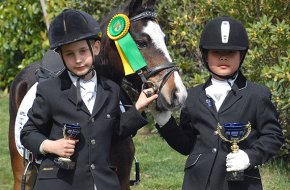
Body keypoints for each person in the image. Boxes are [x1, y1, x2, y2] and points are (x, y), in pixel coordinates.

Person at [20, 9, 157, 190]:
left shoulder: (111, 89)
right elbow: (28, 132)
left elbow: (112, 133)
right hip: (61, 183)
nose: (78, 60)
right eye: (70, 54)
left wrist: (137, 107)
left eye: (82, 51)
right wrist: (51, 146)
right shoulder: (49, 90)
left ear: (96, 48)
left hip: (102, 182)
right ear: (61, 56)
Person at [152, 16, 284, 190]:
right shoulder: (192, 96)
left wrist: (250, 156)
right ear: (206, 55)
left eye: (230, 52)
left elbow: (273, 136)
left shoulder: (257, 95)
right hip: (198, 183)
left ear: (241, 55)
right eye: (216, 52)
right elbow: (186, 145)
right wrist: (164, 121)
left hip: (240, 183)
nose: (223, 58)